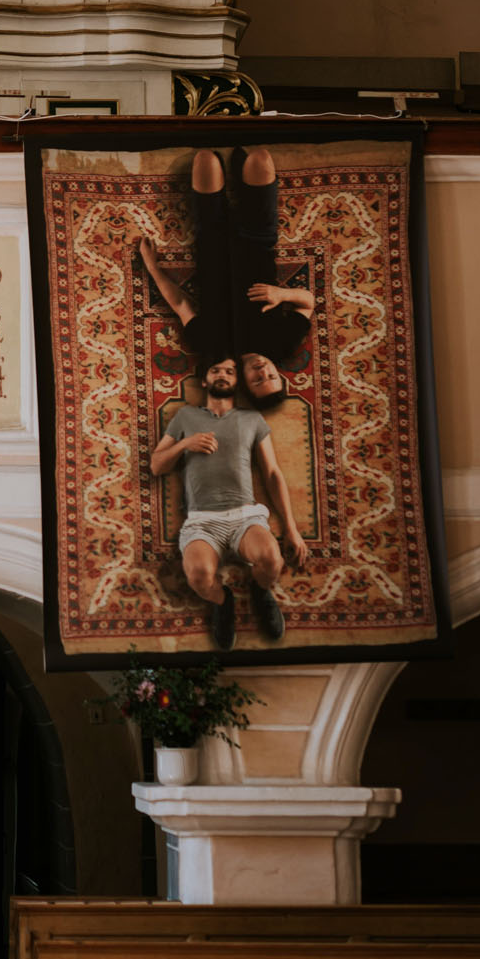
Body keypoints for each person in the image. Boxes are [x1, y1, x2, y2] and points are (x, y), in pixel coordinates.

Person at [149, 355, 310, 650]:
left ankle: (260, 591)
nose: (222, 374)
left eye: (230, 371)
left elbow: (272, 473)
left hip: (245, 516)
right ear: (204, 380)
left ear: (238, 382)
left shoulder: (252, 420)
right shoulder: (185, 417)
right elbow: (156, 465)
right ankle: (223, 602)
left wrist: (291, 529)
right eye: (215, 370)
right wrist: (186, 443)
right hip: (201, 520)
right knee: (198, 576)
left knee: (272, 560)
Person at [139, 147, 314, 412]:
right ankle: (243, 181)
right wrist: (281, 295)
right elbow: (308, 303)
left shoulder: (210, 347)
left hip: (212, 241)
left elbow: (179, 303)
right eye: (272, 376)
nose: (263, 370)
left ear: (244, 382)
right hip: (258, 239)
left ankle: (234, 179)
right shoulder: (283, 345)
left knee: (205, 158)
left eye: (257, 380)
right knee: (260, 158)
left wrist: (151, 265)